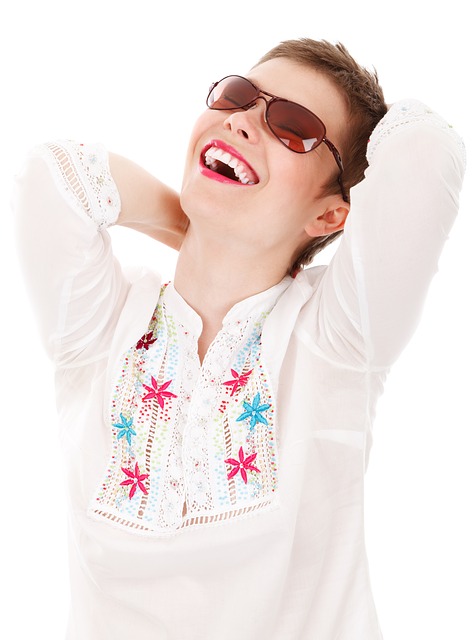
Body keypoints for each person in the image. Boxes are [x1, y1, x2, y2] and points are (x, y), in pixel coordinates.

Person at [14, 38, 465, 640]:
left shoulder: (334, 339)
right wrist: (194, 223)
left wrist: (224, 224)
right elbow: (52, 174)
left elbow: (426, 151)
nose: (243, 120)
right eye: (237, 96)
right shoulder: (101, 332)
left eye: (294, 127)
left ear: (330, 215)